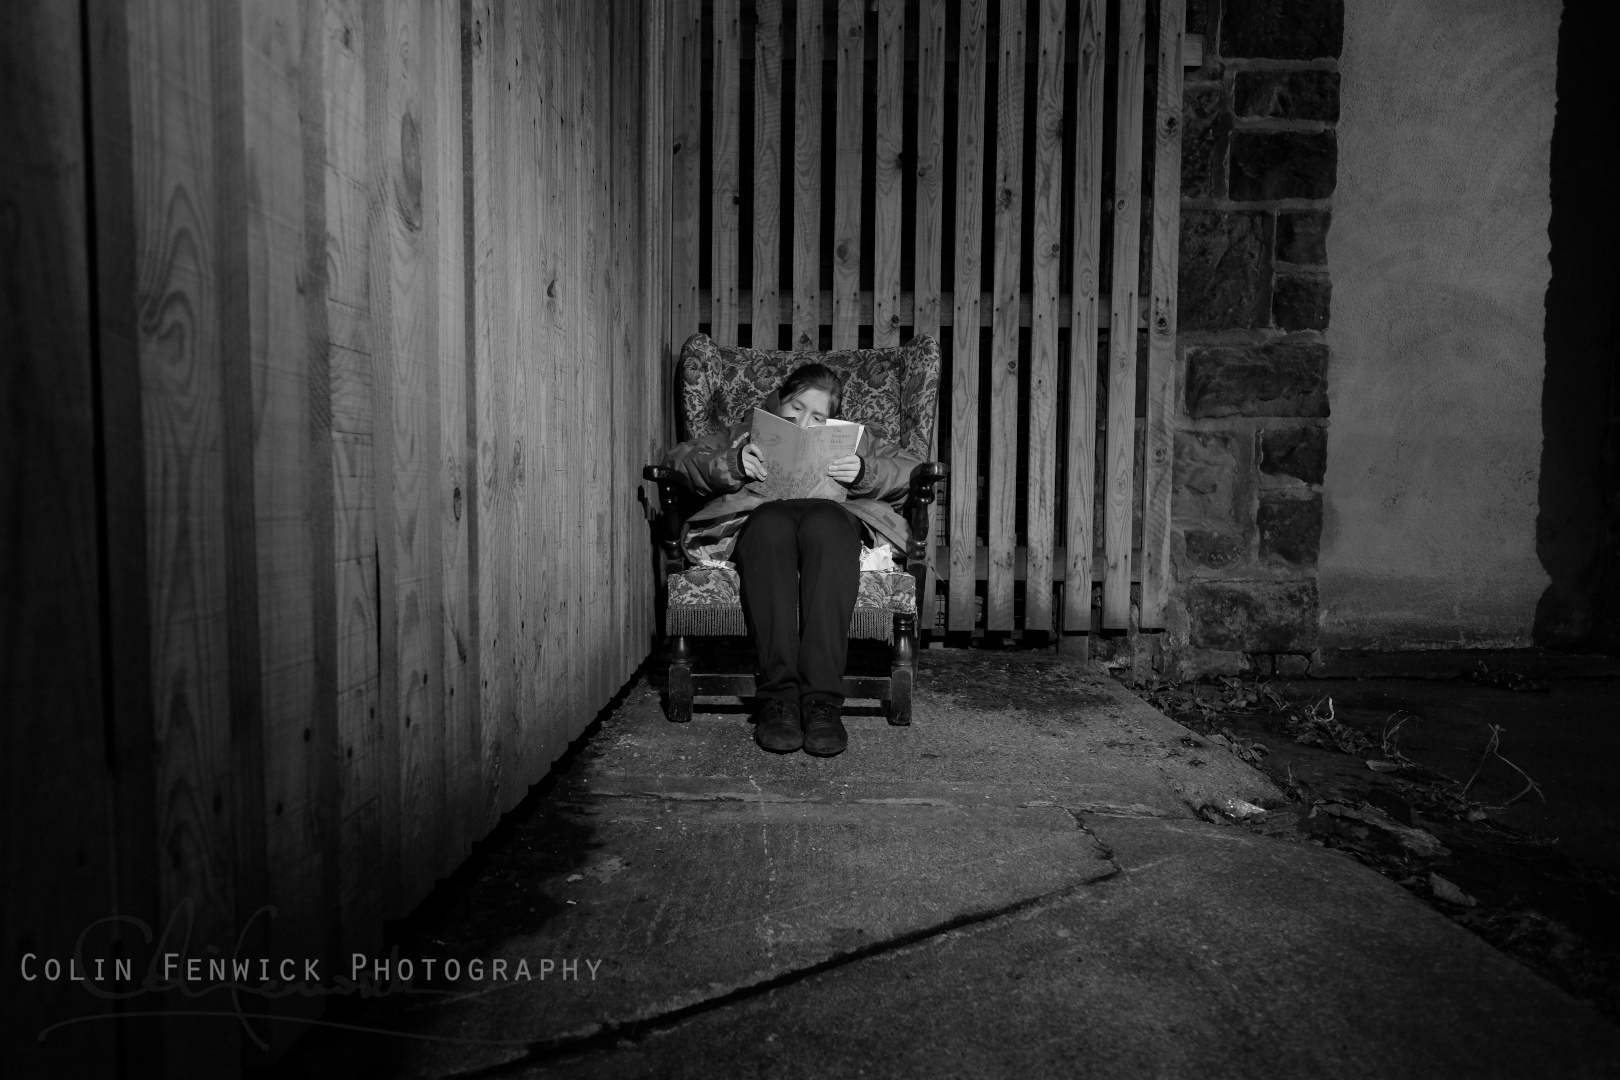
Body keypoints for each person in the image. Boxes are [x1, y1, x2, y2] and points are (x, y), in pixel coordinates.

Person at [664, 363, 922, 756]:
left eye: (817, 417)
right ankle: (778, 700)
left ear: (831, 420)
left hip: (830, 520)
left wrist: (866, 471)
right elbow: (679, 458)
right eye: (796, 408)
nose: (803, 422)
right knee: (772, 522)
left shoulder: (856, 440)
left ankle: (822, 703)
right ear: (780, 399)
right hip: (763, 517)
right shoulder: (747, 431)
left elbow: (913, 470)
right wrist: (733, 463)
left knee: (826, 521)